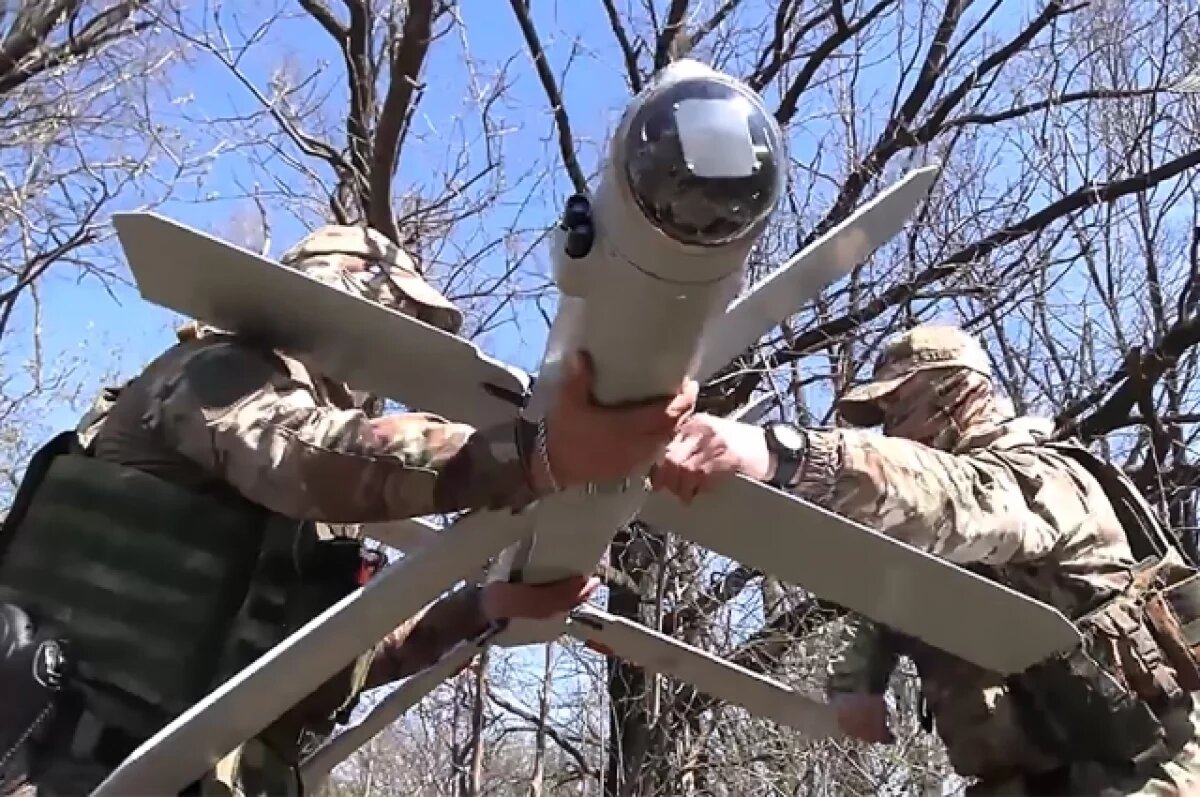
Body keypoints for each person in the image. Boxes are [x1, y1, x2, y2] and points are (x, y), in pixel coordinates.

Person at [0, 224, 698, 796]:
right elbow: (306, 453)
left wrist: (477, 609)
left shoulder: (298, 514)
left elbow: (336, 660)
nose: (401, 347)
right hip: (64, 767)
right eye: (399, 317)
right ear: (337, 302)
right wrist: (535, 454)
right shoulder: (214, 373)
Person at [649, 323, 1200, 795]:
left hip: (1151, 770)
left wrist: (787, 452)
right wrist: (856, 685)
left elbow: (961, 500)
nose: (890, 427)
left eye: (900, 405)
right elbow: (895, 593)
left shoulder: (1047, 478)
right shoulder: (938, 532)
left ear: (954, 393)